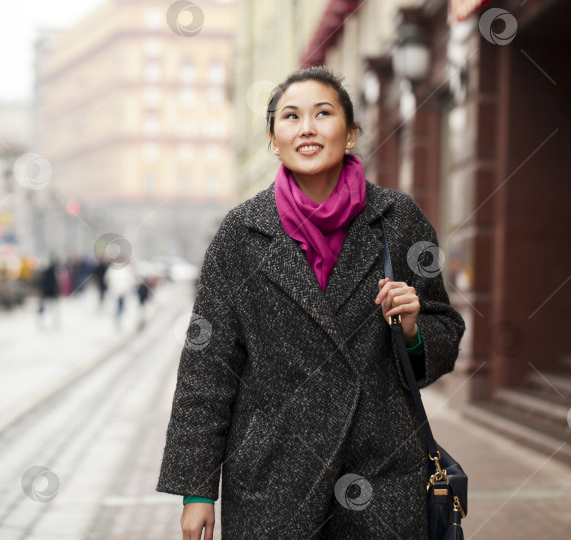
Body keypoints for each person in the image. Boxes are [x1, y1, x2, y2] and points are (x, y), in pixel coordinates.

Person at [156, 66, 465, 538]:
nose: (307, 127)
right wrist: (197, 491)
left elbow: (444, 333)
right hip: (272, 477)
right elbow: (209, 365)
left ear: (351, 133)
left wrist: (412, 328)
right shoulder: (241, 234)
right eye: (291, 117)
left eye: (323, 113)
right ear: (274, 141)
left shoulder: (398, 220)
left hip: (381, 475)